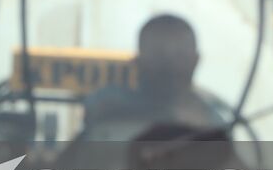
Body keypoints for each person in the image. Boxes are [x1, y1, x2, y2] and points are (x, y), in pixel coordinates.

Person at [79, 14, 223, 139]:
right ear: (138, 62)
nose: (169, 66)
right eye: (158, 56)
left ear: (195, 61)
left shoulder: (213, 120)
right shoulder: (107, 107)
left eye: (180, 56)